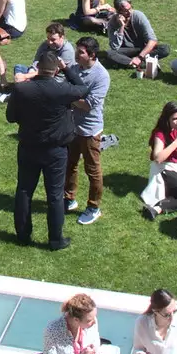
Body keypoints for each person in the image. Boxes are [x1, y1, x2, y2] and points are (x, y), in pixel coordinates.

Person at [7, 50, 90, 250]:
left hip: (28, 147)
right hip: (56, 151)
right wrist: (67, 68)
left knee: (24, 190)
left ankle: (23, 236)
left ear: (37, 69)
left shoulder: (22, 90)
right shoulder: (62, 90)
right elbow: (83, 87)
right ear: (55, 71)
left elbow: (11, 117)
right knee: (54, 195)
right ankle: (55, 240)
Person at [65, 36, 110, 226]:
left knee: (92, 171)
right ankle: (68, 198)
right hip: (72, 128)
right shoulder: (75, 69)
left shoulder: (101, 76)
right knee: (69, 164)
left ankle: (93, 207)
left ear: (91, 55)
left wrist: (68, 96)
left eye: (80, 52)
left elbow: (88, 105)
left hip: (90, 131)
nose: (76, 53)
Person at [140, 101, 177, 219]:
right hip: (165, 171)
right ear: (167, 118)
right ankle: (159, 208)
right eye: (175, 119)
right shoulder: (160, 134)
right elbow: (158, 158)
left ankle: (171, 199)